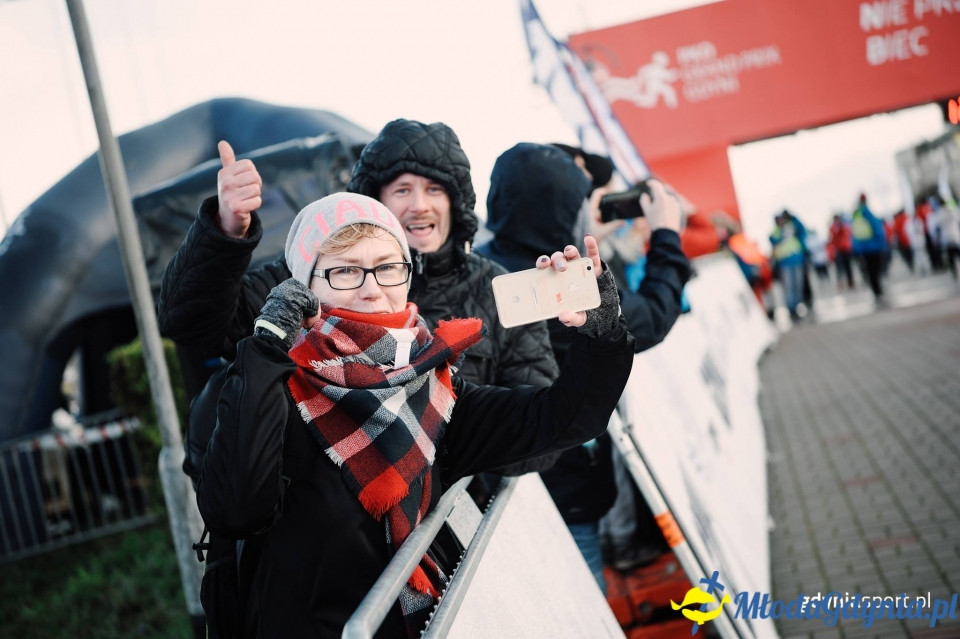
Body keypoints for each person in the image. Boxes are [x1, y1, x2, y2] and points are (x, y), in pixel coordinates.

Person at [197, 191, 635, 638]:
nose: (372, 288)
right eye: (345, 270)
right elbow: (235, 511)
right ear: (305, 289)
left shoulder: (437, 389)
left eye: (388, 266)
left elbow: (563, 419)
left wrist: (601, 331)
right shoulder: (267, 382)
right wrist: (266, 346)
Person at [159, 120, 561, 486]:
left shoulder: (494, 287)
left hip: (453, 523)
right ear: (374, 201)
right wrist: (225, 232)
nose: (420, 204)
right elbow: (189, 324)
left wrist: (431, 448)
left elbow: (541, 432)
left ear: (455, 202)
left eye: (435, 189)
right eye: (402, 190)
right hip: (324, 521)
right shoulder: (310, 272)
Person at [477, 143, 691, 592]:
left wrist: (581, 233)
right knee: (584, 599)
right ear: (563, 207)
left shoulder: (481, 271)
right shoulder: (561, 283)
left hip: (499, 493)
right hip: (565, 489)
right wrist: (666, 234)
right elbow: (654, 316)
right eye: (580, 198)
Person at [769, 210, 808, 320]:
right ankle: (791, 309)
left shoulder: (791, 227)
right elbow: (773, 239)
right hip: (785, 263)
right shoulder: (776, 231)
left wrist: (793, 217)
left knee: (797, 285)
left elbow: (801, 229)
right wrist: (780, 229)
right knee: (789, 287)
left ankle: (797, 306)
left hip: (796, 259)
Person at [850, 193, 888, 303]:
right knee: (876, 270)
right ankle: (878, 291)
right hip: (873, 246)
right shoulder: (866, 212)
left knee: (870, 271)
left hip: (862, 248)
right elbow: (876, 227)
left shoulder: (856, 214)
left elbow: (853, 233)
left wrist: (856, 248)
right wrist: (882, 242)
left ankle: (876, 291)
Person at [828, 213, 855, 290]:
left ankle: (850, 281)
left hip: (846, 249)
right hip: (839, 250)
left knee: (848, 267)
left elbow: (849, 234)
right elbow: (832, 237)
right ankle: (841, 282)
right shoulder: (833, 228)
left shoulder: (845, 226)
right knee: (839, 267)